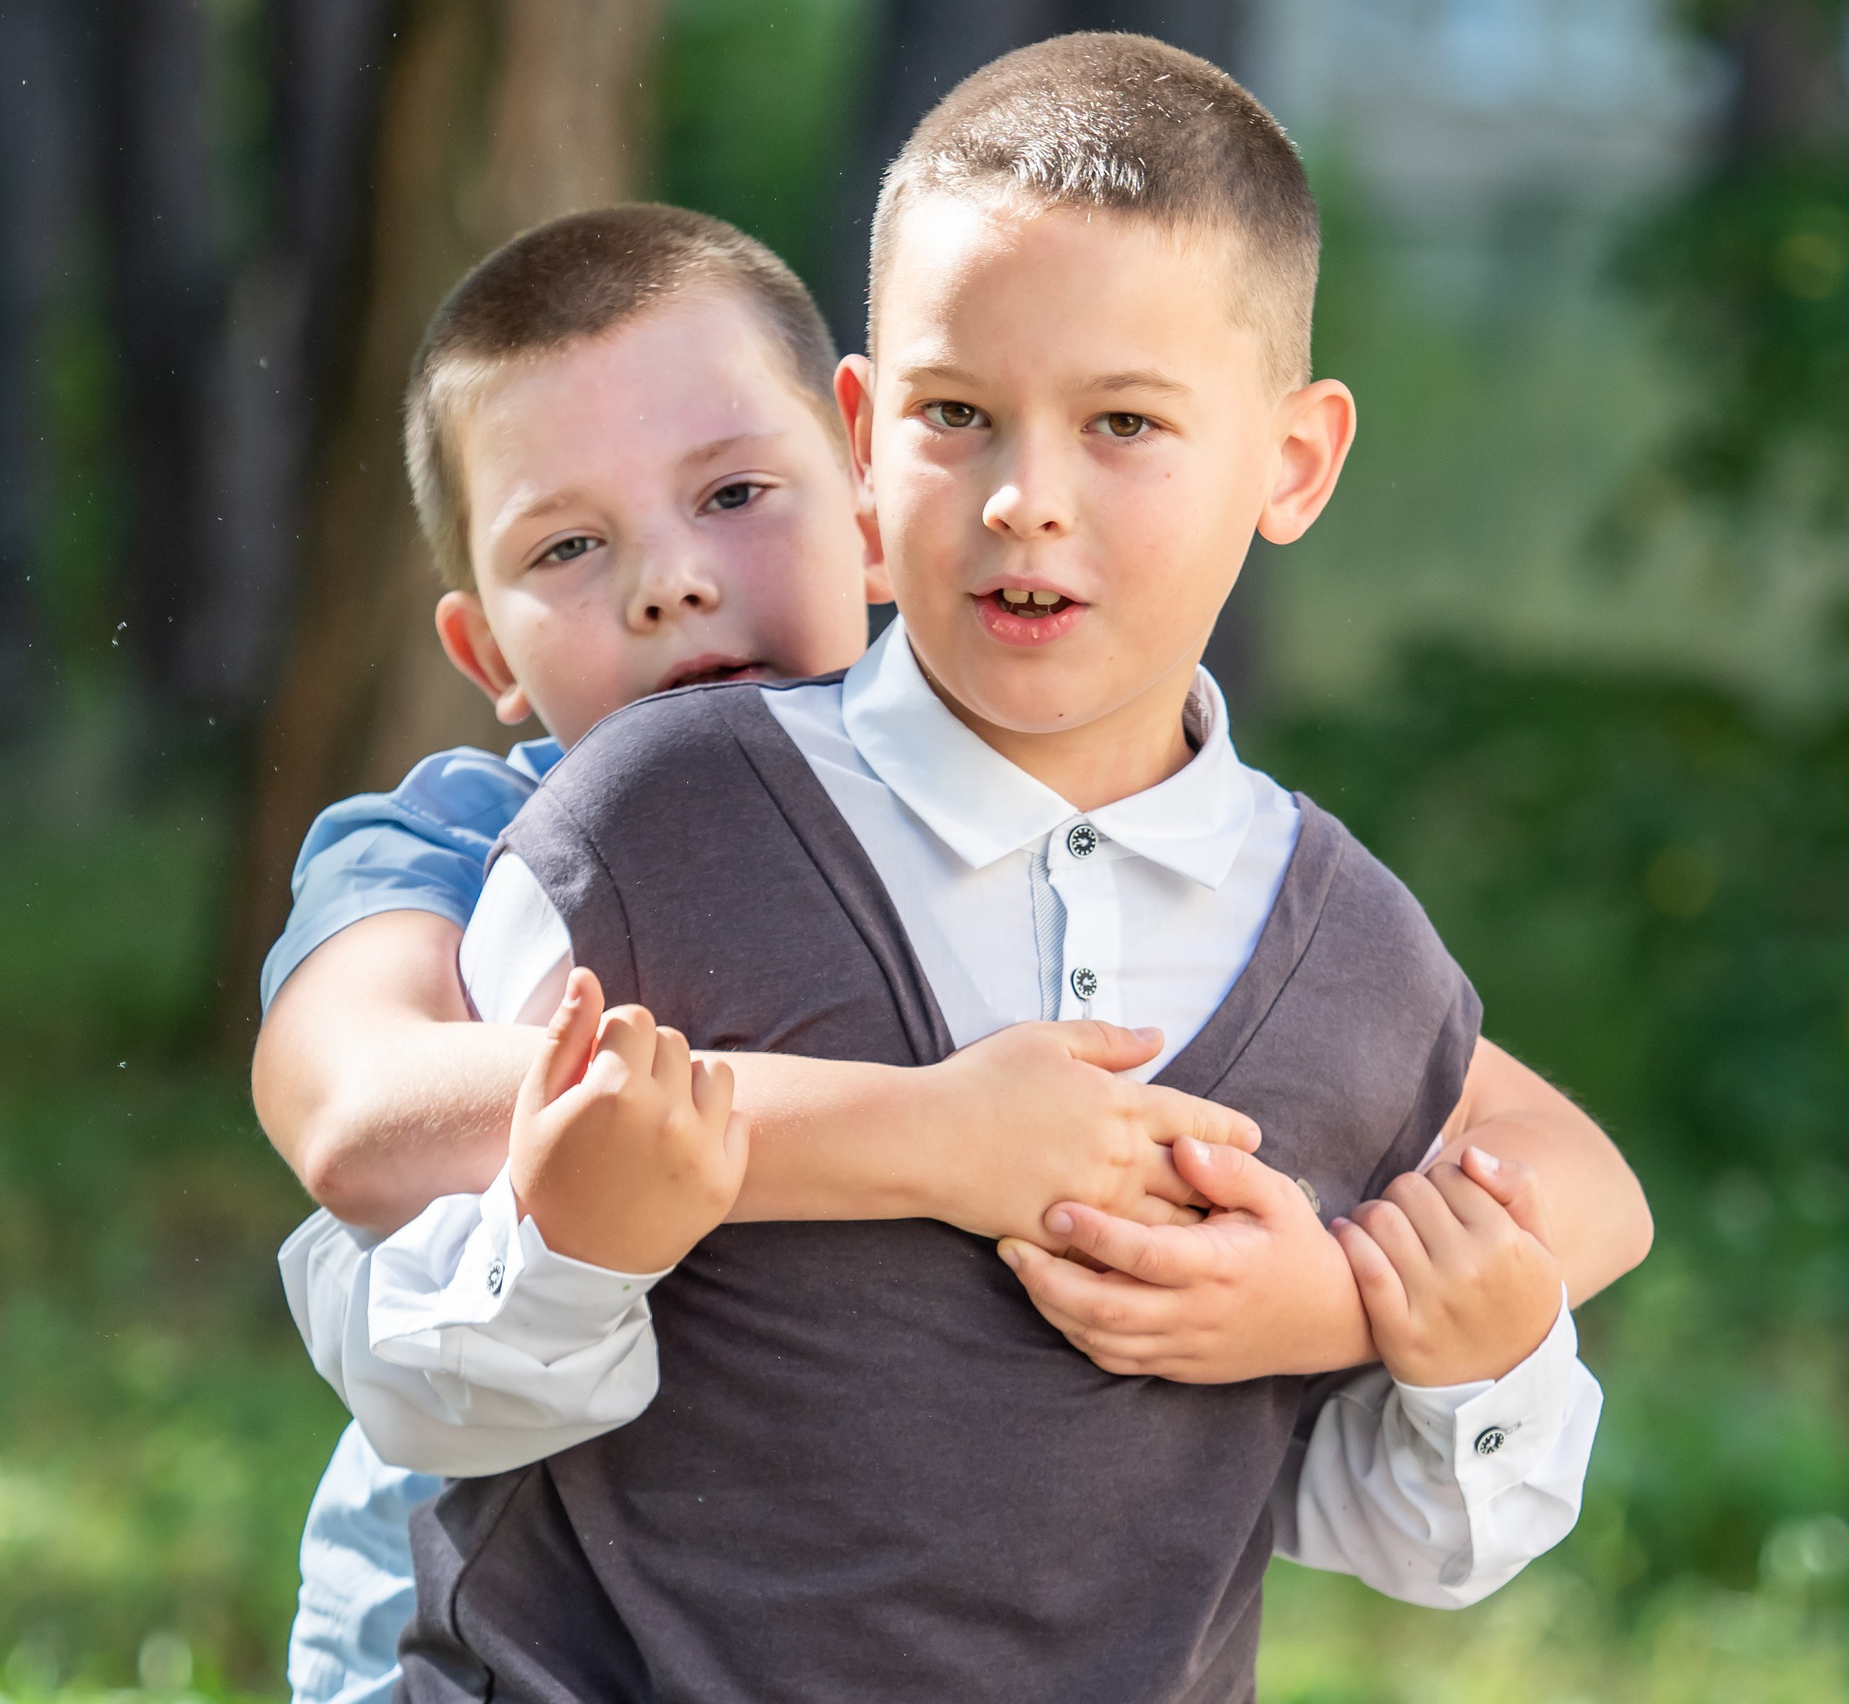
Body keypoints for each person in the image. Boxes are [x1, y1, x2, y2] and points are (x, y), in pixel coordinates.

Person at [279, 37, 1652, 1704]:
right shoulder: (587, 831)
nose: (1024, 502)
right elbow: (365, 1145)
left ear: (1291, 462)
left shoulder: (1331, 943)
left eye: (1126, 421)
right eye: (960, 417)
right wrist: (919, 1140)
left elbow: (1550, 1187)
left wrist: (1335, 1304)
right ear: (879, 443)